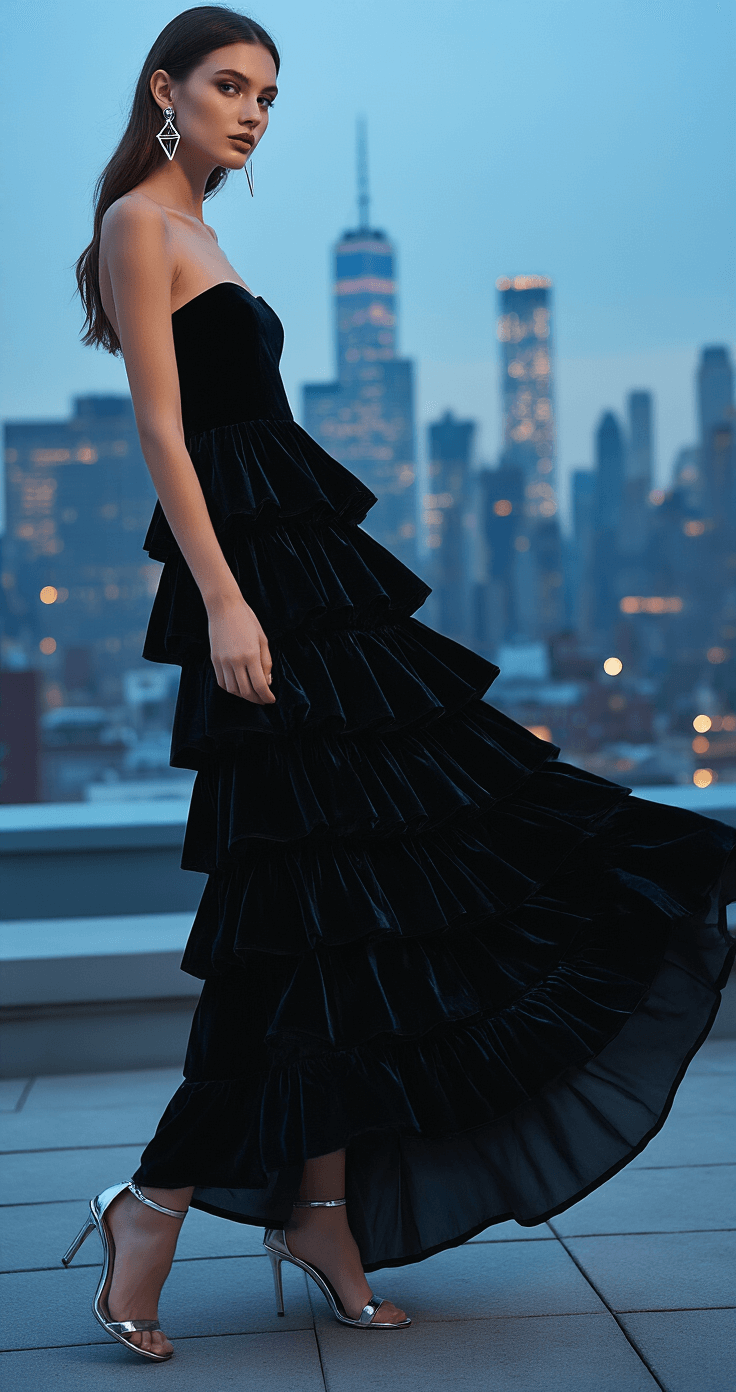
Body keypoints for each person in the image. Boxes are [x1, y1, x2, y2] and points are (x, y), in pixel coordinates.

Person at [64, 5, 736, 1364]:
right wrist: (228, 601)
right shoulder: (145, 221)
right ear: (165, 91)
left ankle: (308, 1205)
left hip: (312, 589)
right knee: (292, 910)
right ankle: (164, 1199)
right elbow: (160, 428)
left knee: (343, 906)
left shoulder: (205, 230)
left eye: (269, 93)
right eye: (229, 86)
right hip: (260, 599)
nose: (252, 112)